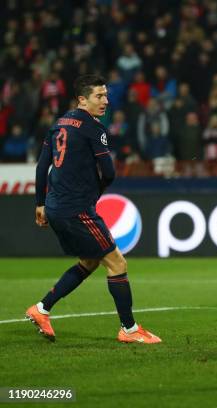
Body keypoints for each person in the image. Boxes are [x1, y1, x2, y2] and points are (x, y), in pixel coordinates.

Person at [27, 74, 161, 344]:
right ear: (82, 99)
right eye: (99, 96)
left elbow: (42, 167)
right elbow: (109, 172)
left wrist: (40, 204)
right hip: (76, 208)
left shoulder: (58, 123)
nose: (105, 101)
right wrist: (96, 192)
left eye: (106, 95)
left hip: (54, 206)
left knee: (89, 261)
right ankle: (129, 329)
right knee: (117, 262)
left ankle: (41, 309)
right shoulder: (93, 127)